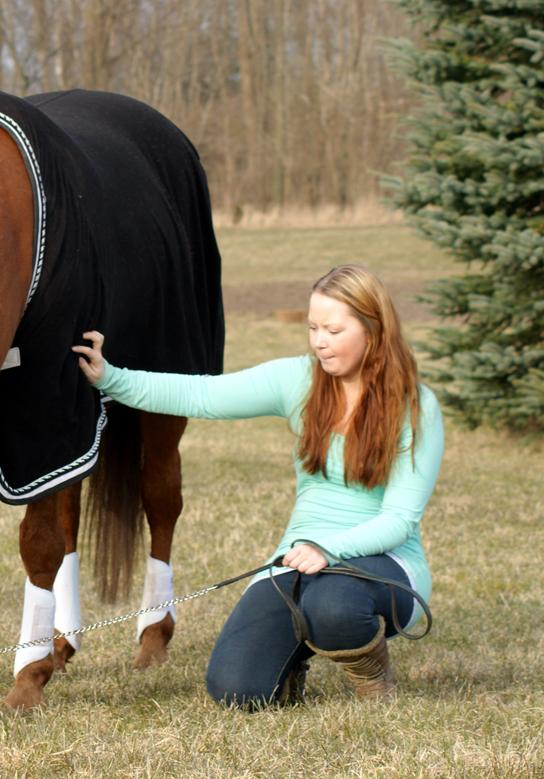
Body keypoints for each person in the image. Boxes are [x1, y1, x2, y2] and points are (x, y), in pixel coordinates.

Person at [71, 265, 444, 708]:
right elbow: (203, 396)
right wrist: (110, 378)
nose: (319, 341)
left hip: (385, 565)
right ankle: (293, 663)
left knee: (334, 604)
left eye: (334, 329)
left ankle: (373, 674)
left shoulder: (416, 406)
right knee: (235, 689)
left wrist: (328, 549)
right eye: (312, 328)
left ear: (373, 329)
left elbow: (398, 521)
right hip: (299, 558)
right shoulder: (300, 380)